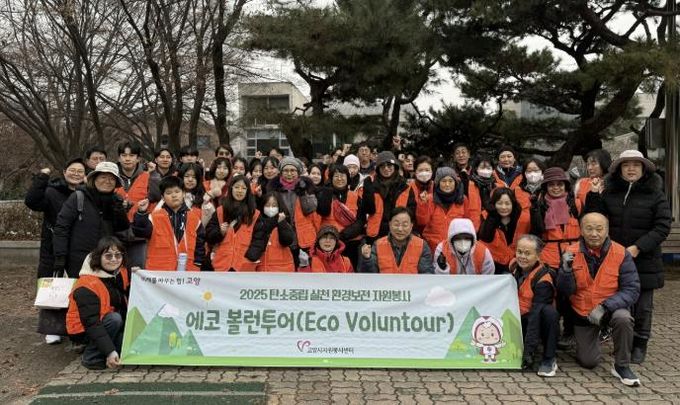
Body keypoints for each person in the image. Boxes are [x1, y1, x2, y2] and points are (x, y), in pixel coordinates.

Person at [585, 149, 671, 364]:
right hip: (614, 258)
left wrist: (638, 247)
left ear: (643, 169)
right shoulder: (610, 193)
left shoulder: (656, 195)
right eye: (626, 165)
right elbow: (595, 219)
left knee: (643, 306)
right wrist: (594, 195)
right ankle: (623, 342)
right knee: (619, 303)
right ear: (619, 169)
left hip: (645, 260)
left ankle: (640, 343)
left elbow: (662, 227)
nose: (631, 169)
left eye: (636, 165)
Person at [556, 212, 641, 387]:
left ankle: (621, 365)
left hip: (611, 309)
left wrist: (605, 307)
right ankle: (594, 338)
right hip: (583, 313)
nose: (594, 234)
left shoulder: (621, 253)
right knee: (588, 362)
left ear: (607, 230)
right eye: (589, 229)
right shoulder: (570, 252)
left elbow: (632, 290)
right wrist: (565, 271)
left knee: (623, 318)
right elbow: (565, 291)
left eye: (599, 229)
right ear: (581, 230)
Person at [25, 158, 87, 344]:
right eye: (72, 170)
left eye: (80, 171)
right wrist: (42, 177)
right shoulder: (52, 191)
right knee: (53, 285)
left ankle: (74, 324)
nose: (76, 174)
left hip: (78, 246)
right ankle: (52, 329)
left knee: (77, 285)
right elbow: (32, 201)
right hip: (53, 246)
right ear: (64, 172)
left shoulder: (87, 193)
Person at [53, 162, 130, 277]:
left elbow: (122, 229)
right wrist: (60, 257)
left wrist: (119, 210)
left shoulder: (116, 202)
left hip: (107, 262)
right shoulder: (78, 197)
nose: (107, 181)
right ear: (94, 179)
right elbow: (61, 228)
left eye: (112, 179)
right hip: (78, 262)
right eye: (103, 177)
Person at [66, 237, 129, 370]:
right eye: (108, 255)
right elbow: (92, 323)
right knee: (114, 319)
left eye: (118, 255)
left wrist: (138, 273)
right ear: (98, 257)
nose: (114, 259)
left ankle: (105, 348)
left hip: (106, 324)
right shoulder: (86, 285)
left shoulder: (120, 273)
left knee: (129, 346)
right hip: (84, 329)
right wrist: (110, 352)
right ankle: (91, 357)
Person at [509, 234, 558, 377]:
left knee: (549, 313)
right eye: (519, 252)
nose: (522, 257)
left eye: (527, 253)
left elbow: (535, 316)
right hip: (518, 317)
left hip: (535, 320)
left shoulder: (544, 280)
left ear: (537, 256)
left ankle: (549, 358)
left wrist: (528, 352)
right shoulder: (513, 266)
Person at [132, 176, 206, 271]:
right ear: (163, 197)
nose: (174, 195)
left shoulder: (194, 219)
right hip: (159, 272)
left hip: (188, 272)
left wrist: (197, 263)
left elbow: (200, 245)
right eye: (169, 193)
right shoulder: (153, 217)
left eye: (177, 191)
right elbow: (140, 232)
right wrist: (141, 213)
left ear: (183, 193)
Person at [267, 157, 319, 265]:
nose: (289, 174)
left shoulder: (306, 187)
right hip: (282, 234)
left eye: (292, 170)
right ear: (281, 172)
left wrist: (303, 192)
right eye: (286, 170)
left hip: (303, 235)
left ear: (298, 172)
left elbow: (310, 209)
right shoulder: (274, 190)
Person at [205, 175, 260, 271]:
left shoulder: (255, 214)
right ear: (231, 189)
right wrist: (220, 232)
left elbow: (259, 240)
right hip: (221, 265)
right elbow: (209, 235)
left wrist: (250, 257)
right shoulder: (220, 211)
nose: (240, 191)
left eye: (243, 188)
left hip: (244, 267)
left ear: (248, 191)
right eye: (237, 187)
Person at [530, 167, 581, 269]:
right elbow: (537, 231)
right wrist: (534, 210)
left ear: (565, 186)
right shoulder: (540, 206)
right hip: (549, 261)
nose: (556, 187)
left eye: (560, 184)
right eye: (551, 185)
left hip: (576, 257)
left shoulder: (576, 204)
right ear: (546, 187)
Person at [359, 207, 434, 274]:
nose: (400, 229)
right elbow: (369, 276)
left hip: (412, 285)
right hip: (385, 285)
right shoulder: (378, 245)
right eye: (396, 224)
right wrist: (367, 259)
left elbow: (427, 274)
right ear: (390, 224)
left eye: (405, 225)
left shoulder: (421, 245)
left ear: (411, 226)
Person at [317, 164, 364, 269]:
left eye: (342, 176)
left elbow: (361, 220)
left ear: (347, 178)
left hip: (351, 241)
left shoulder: (355, 196)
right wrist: (326, 191)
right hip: (329, 241)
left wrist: (345, 234)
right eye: (336, 176)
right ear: (331, 178)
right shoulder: (324, 194)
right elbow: (323, 211)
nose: (339, 179)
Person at [362, 151, 416, 242]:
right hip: (376, 234)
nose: (386, 168)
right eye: (382, 166)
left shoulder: (405, 186)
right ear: (378, 169)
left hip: (399, 233)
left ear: (395, 166)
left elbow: (411, 212)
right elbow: (367, 210)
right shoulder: (370, 184)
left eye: (389, 165)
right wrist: (367, 190)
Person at [478, 188, 531, 274]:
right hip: (493, 262)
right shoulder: (486, 216)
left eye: (507, 203)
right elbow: (485, 237)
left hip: (517, 261)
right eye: (499, 203)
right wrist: (492, 216)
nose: (503, 207)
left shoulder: (522, 218)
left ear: (513, 204)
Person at [416, 166, 469, 252]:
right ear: (438, 183)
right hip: (432, 247)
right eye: (443, 181)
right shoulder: (429, 199)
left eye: (450, 181)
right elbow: (422, 222)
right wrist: (423, 204)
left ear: (455, 183)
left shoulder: (463, 200)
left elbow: (468, 223)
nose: (447, 184)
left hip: (456, 247)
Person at [245, 192, 296, 272]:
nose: (271, 208)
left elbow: (287, 240)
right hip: (262, 267)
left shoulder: (284, 221)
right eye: (267, 205)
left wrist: (282, 223)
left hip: (283, 267)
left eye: (274, 206)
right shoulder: (258, 223)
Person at [466, 154, 496, 230]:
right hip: (471, 225)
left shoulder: (497, 186)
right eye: (482, 167)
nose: (485, 170)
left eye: (488, 168)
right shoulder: (468, 184)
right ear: (476, 168)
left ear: (493, 170)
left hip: (491, 224)